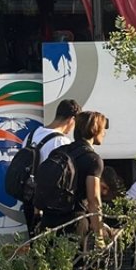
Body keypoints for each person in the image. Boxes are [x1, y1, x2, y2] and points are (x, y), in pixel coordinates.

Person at [18, 99, 82, 235]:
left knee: (35, 244)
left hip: (28, 199)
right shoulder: (61, 142)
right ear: (72, 119)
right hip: (47, 206)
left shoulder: (31, 135)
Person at [39, 110, 107, 237]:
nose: (105, 132)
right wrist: (99, 236)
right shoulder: (93, 159)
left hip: (49, 221)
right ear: (95, 130)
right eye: (103, 128)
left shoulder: (59, 151)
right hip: (74, 223)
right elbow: (94, 201)